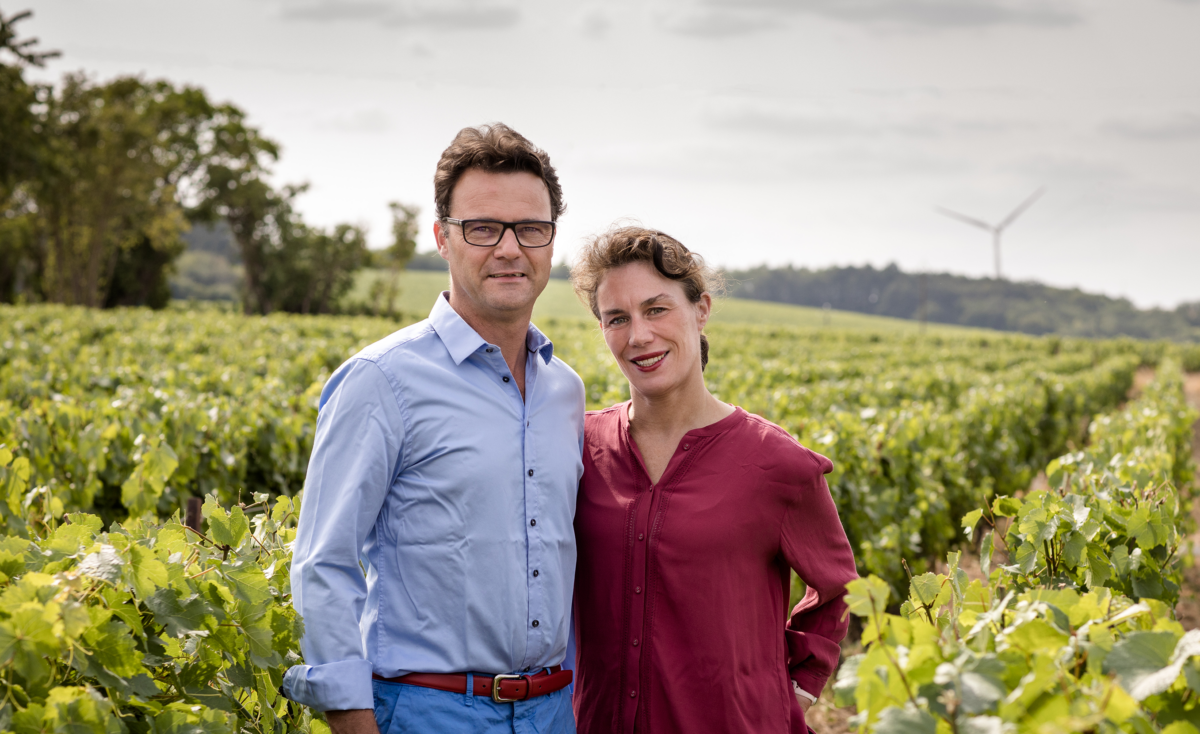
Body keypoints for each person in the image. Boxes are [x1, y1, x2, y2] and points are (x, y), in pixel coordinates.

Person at [281, 124, 584, 734]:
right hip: (427, 714)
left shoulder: (565, 392)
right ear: (443, 238)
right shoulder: (381, 381)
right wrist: (352, 722)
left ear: (551, 242)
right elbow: (322, 563)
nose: (509, 249)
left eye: (531, 229)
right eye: (482, 228)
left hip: (554, 713)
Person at [569, 226, 859, 734]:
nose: (638, 335)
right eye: (618, 318)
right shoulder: (578, 446)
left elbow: (839, 589)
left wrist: (794, 689)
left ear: (700, 309)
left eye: (656, 309)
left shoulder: (776, 463)